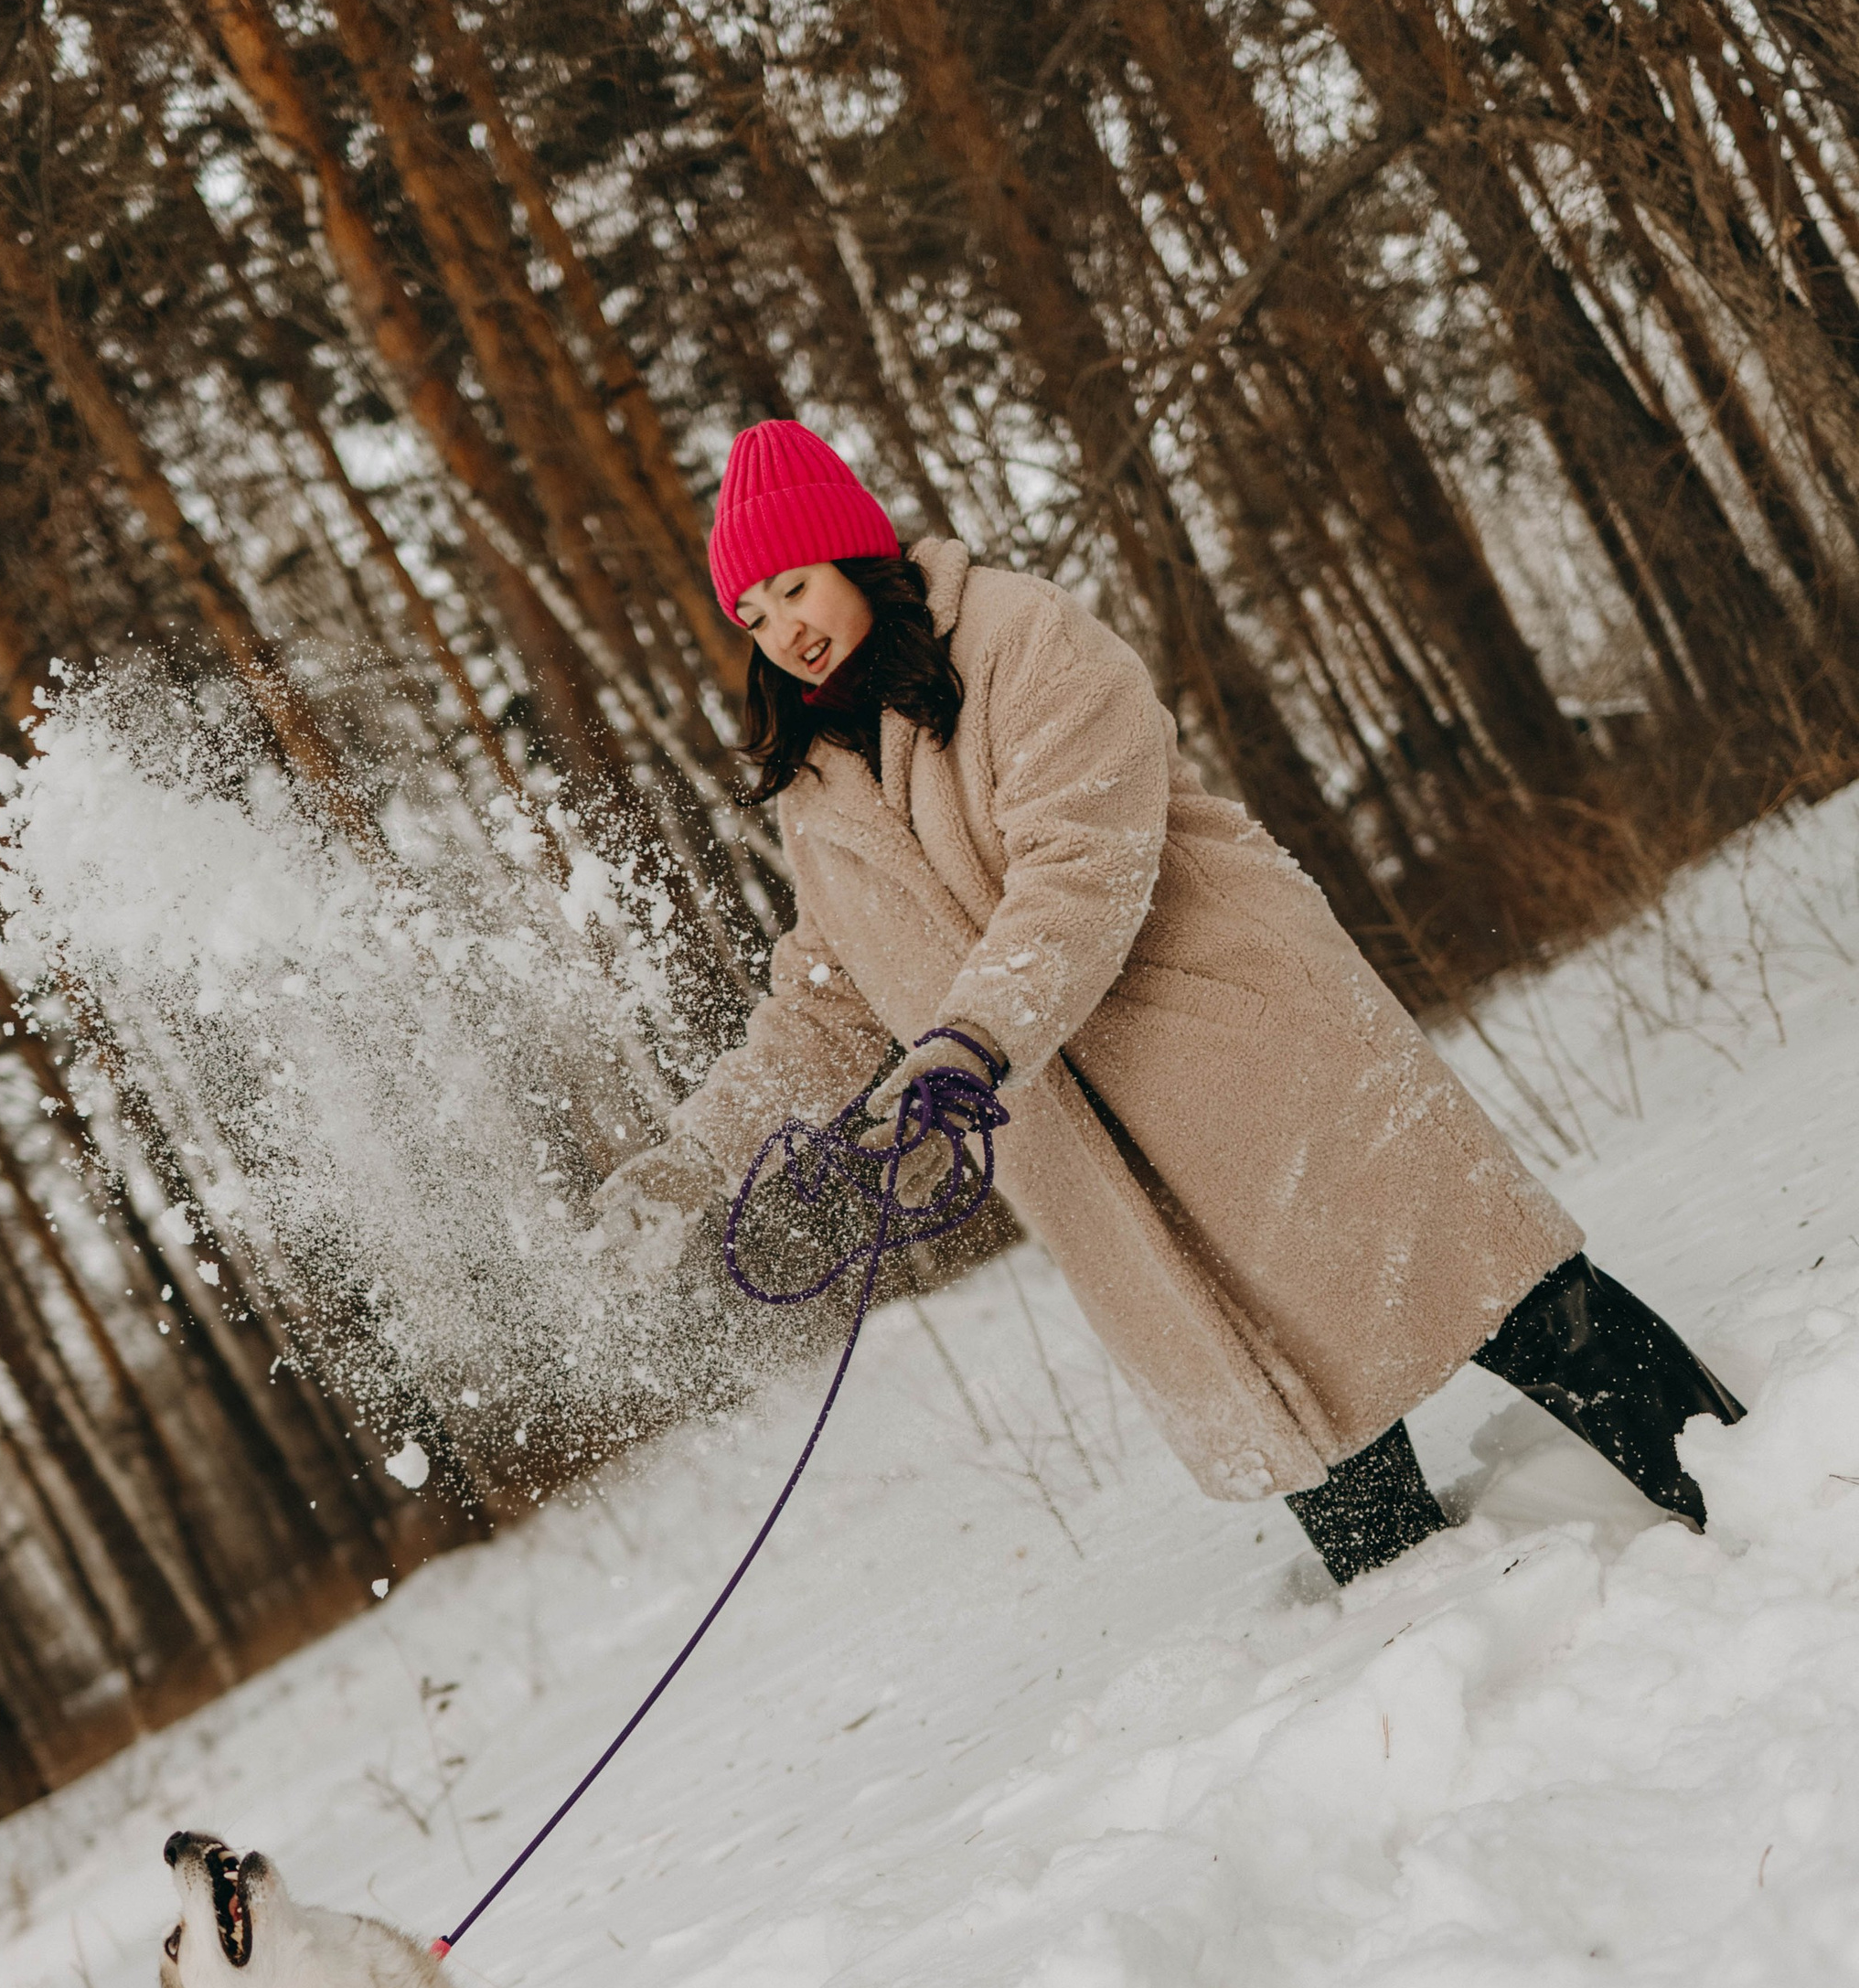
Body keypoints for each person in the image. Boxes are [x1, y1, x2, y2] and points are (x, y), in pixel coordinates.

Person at [593, 419, 1742, 1585]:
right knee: (1283, 1397)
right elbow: (824, 1002)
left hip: (1237, 1044)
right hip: (1086, 1145)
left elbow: (1080, 867)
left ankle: (1734, 1473)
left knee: (1472, 1275)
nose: (782, 631)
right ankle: (1427, 1626)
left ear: (855, 554)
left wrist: (968, 1041)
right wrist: (691, 1159)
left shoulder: (1016, 634)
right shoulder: (819, 787)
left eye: (793, 587)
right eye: (751, 615)